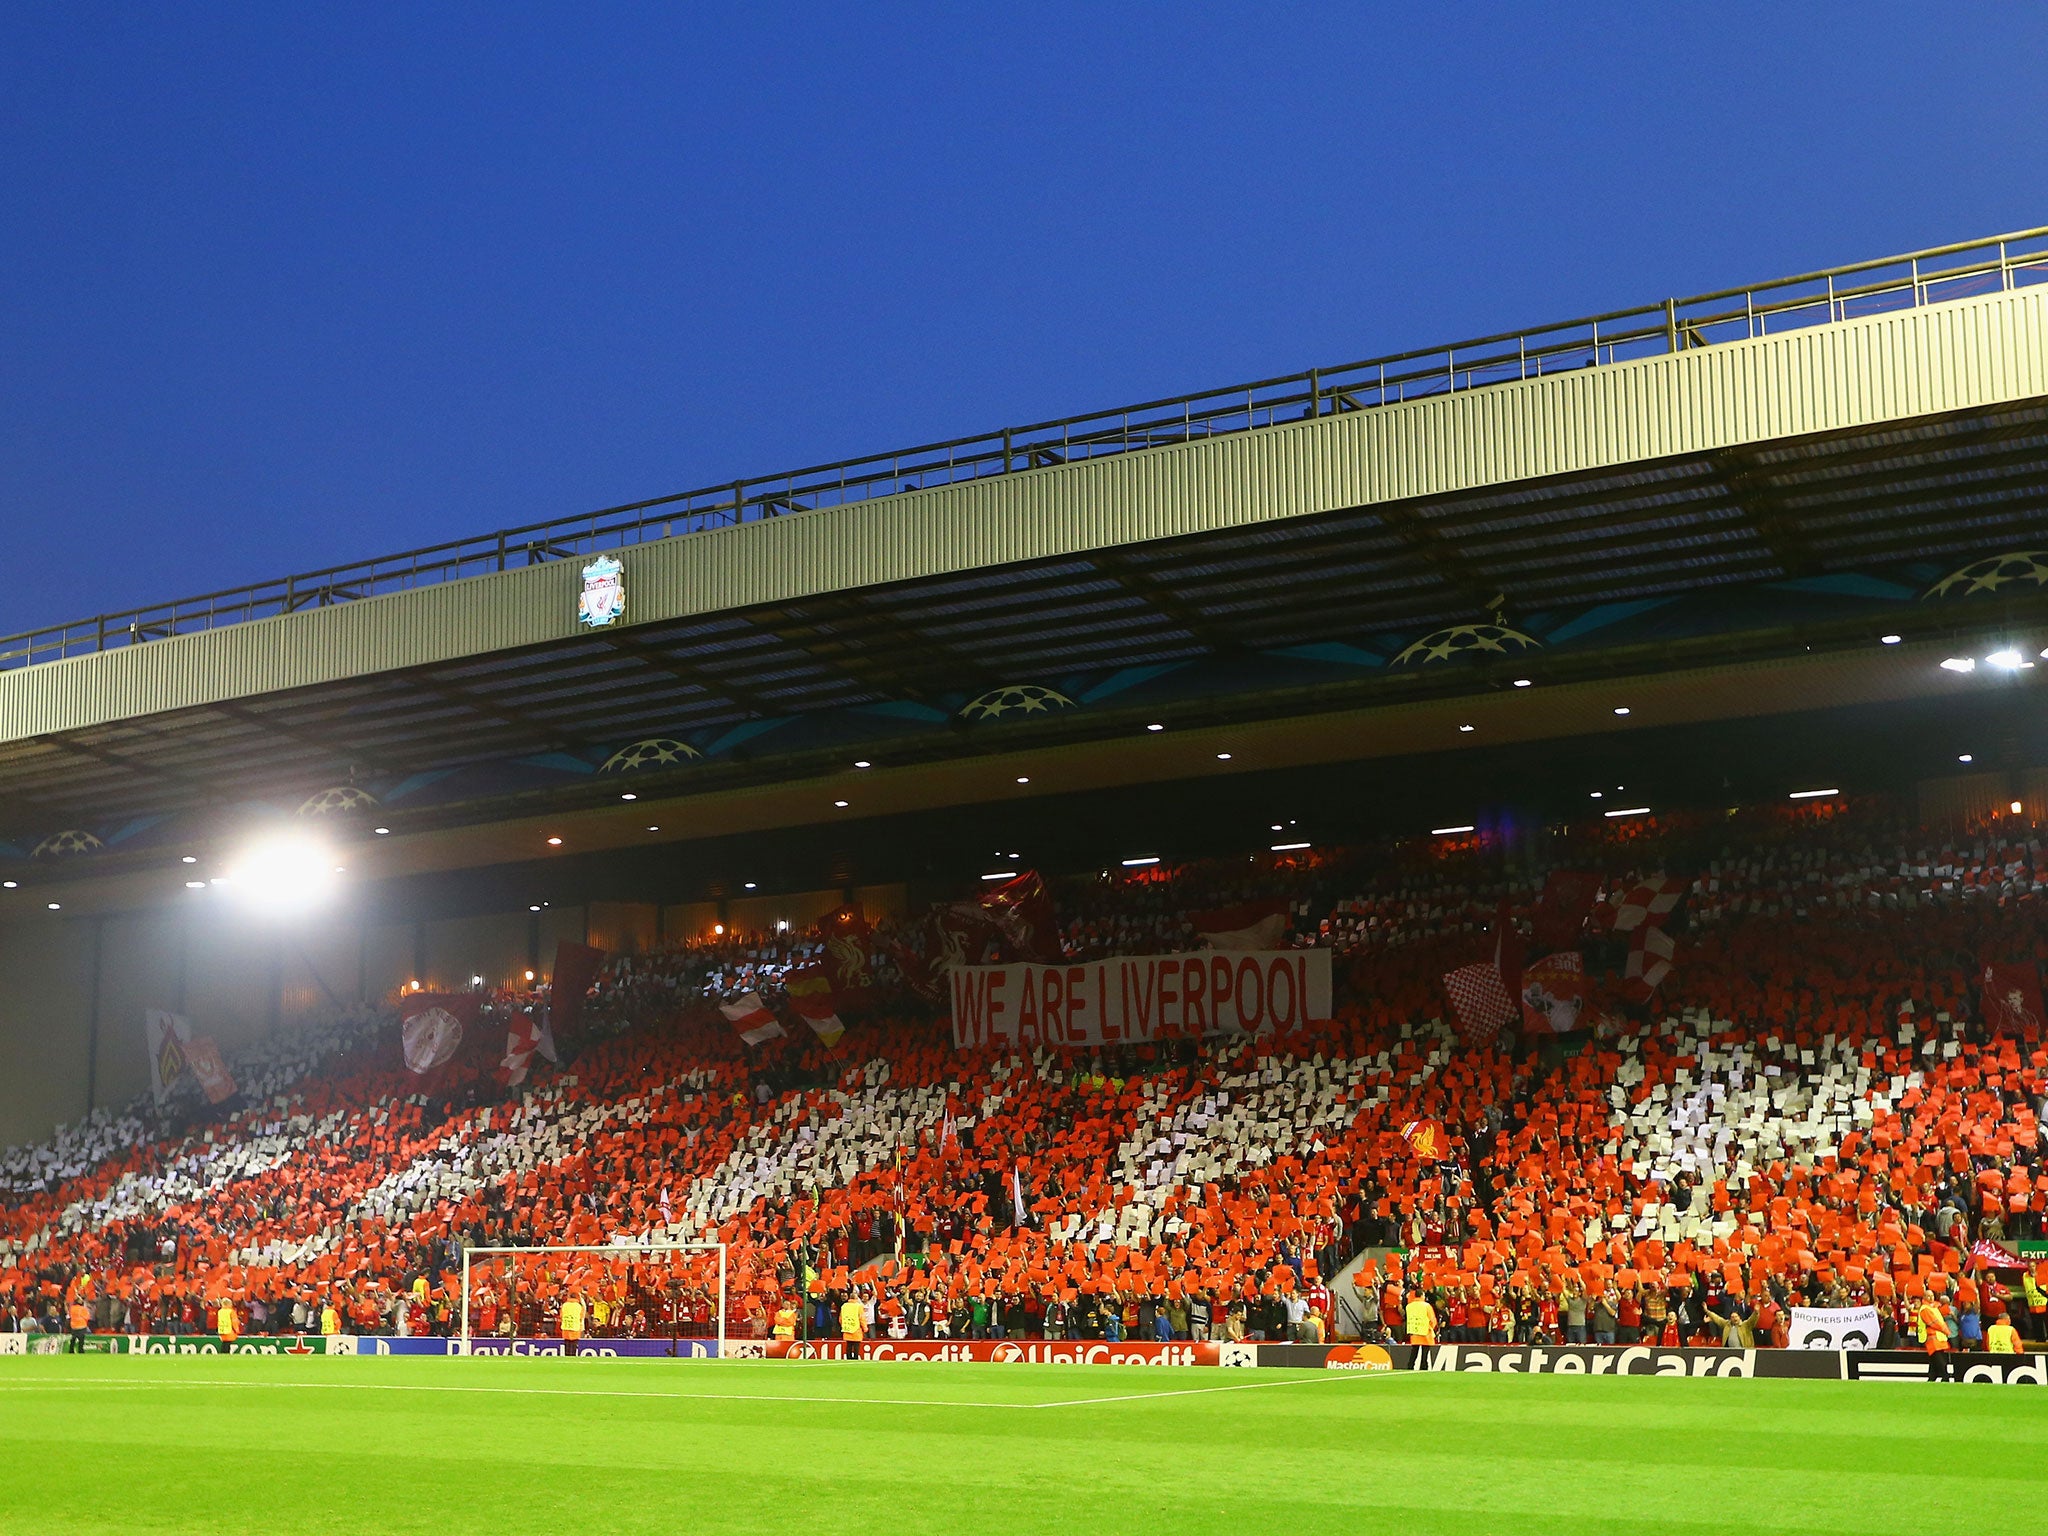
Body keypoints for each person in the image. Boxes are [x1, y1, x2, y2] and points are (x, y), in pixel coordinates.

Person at [839, 1290, 866, 1360]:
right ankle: (855, 1358)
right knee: (856, 1345)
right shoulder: (858, 1306)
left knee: (849, 1345)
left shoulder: (844, 1306)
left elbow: (841, 1318)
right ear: (856, 1299)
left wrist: (843, 1325)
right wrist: (865, 1328)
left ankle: (848, 1358)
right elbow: (861, 1318)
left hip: (847, 1328)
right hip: (856, 1329)